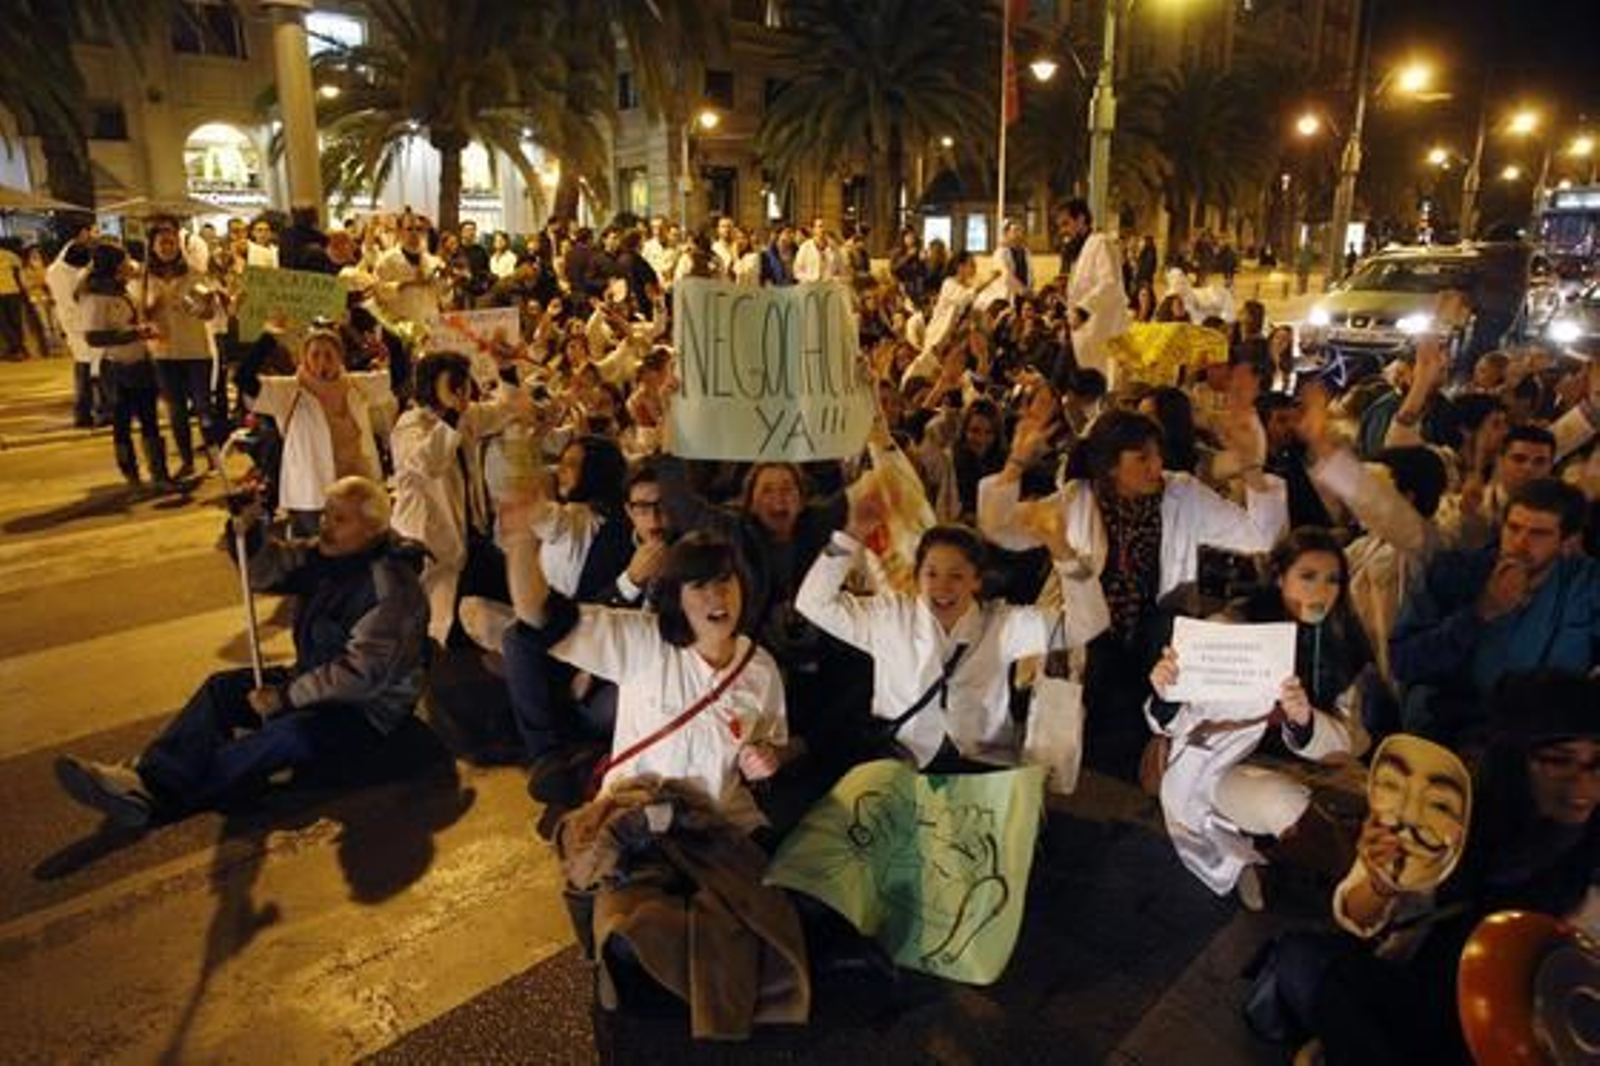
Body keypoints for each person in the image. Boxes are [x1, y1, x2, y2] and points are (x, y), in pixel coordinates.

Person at [53, 476, 429, 827]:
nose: (325, 526)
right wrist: (249, 531)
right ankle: (152, 775)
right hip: (315, 680)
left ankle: (164, 795)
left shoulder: (390, 588)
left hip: (368, 712)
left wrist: (285, 697)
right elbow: (270, 570)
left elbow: (361, 675)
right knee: (222, 690)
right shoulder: (331, 556)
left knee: (286, 735)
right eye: (327, 514)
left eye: (340, 519)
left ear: (373, 528)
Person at [1269, 670, 1600, 1065]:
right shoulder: (1448, 806)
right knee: (1299, 959)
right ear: (1514, 758)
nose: (1585, 789)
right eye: (1557, 761)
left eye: (1597, 763)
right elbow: (1357, 915)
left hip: (1526, 1036)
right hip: (1423, 992)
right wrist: (1381, 883)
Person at [980, 408, 1289, 778]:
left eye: (1156, 454)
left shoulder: (1182, 494)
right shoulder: (1078, 499)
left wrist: (1252, 468)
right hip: (1093, 635)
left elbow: (1260, 534)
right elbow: (1003, 531)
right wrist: (1015, 464)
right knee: (1084, 702)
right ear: (1111, 465)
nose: (1155, 465)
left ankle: (1152, 757)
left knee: (1163, 639)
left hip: (1152, 635)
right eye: (1142, 458)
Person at [1148, 527, 1369, 909]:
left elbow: (1349, 738)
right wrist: (1166, 690)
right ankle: (1357, 891)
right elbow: (1175, 720)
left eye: (1333, 580)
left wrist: (1304, 721)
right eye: (1308, 576)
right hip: (1214, 766)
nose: (1322, 590)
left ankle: (1288, 867)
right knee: (1283, 803)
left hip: (1298, 763)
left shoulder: (1342, 639)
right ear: (1281, 576)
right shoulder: (1233, 629)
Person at [798, 504, 1106, 772]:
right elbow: (813, 603)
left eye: (956, 576)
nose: (942, 587)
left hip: (981, 761)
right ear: (917, 576)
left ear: (976, 580)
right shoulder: (889, 618)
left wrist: (1062, 549)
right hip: (902, 760)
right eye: (931, 574)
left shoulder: (1001, 624)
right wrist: (850, 535)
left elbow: (1087, 624)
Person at [1389, 478, 1599, 746]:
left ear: (1568, 541)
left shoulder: (1585, 584)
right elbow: (1404, 661)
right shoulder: (1452, 574)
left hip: (1552, 737)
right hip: (1459, 730)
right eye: (1513, 528)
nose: (1520, 544)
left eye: (1539, 534)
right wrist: (1480, 613)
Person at [390, 351, 521, 645]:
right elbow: (429, 462)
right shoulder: (410, 424)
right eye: (453, 384)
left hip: (470, 534)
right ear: (429, 385)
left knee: (512, 589)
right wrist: (451, 416)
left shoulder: (466, 415)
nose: (461, 391)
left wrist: (507, 370)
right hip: (430, 541)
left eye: (462, 383)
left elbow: (506, 410)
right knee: (437, 621)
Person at [236, 324, 399, 535]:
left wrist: (380, 329)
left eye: (329, 355)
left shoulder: (355, 385)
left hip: (357, 489)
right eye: (315, 355)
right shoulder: (289, 391)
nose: (322, 362)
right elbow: (244, 379)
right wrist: (269, 338)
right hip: (312, 497)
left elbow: (397, 377)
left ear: (340, 359)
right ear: (304, 358)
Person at [80, 241, 173, 491]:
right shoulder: (96, 297)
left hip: (141, 363)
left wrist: (150, 314)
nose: (128, 263)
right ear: (113, 265)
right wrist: (135, 333)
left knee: (150, 420)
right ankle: (130, 473)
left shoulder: (123, 289)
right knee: (122, 423)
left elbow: (136, 318)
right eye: (123, 260)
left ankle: (159, 472)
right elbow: (93, 336)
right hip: (118, 367)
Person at [139, 219, 223, 479]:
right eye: (162, 242)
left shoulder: (194, 273)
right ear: (152, 246)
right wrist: (152, 307)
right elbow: (139, 315)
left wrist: (201, 307)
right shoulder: (144, 277)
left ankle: (213, 457)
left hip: (196, 349)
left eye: (172, 242)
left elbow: (209, 313)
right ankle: (186, 460)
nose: (167, 247)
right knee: (176, 410)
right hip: (164, 352)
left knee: (203, 407)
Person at [1058, 198, 1130, 380]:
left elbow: (1109, 283)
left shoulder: (1100, 243)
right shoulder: (1080, 250)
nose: (1063, 231)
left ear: (1081, 219)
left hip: (1102, 331)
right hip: (1084, 334)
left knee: (1101, 384)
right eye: (1060, 226)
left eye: (1066, 224)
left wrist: (1082, 310)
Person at [977, 221, 1032, 309]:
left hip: (1024, 295)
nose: (1019, 234)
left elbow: (1029, 273)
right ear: (1006, 233)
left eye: (1021, 231)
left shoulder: (1025, 252)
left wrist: (1029, 289)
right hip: (1008, 294)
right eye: (1015, 231)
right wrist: (1023, 290)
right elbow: (1006, 275)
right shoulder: (1001, 253)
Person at [793, 217, 845, 284]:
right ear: (814, 229)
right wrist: (810, 279)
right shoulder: (805, 248)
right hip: (810, 287)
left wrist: (834, 279)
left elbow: (841, 270)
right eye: (820, 226)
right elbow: (797, 271)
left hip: (828, 287)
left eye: (826, 227)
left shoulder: (834, 248)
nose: (823, 229)